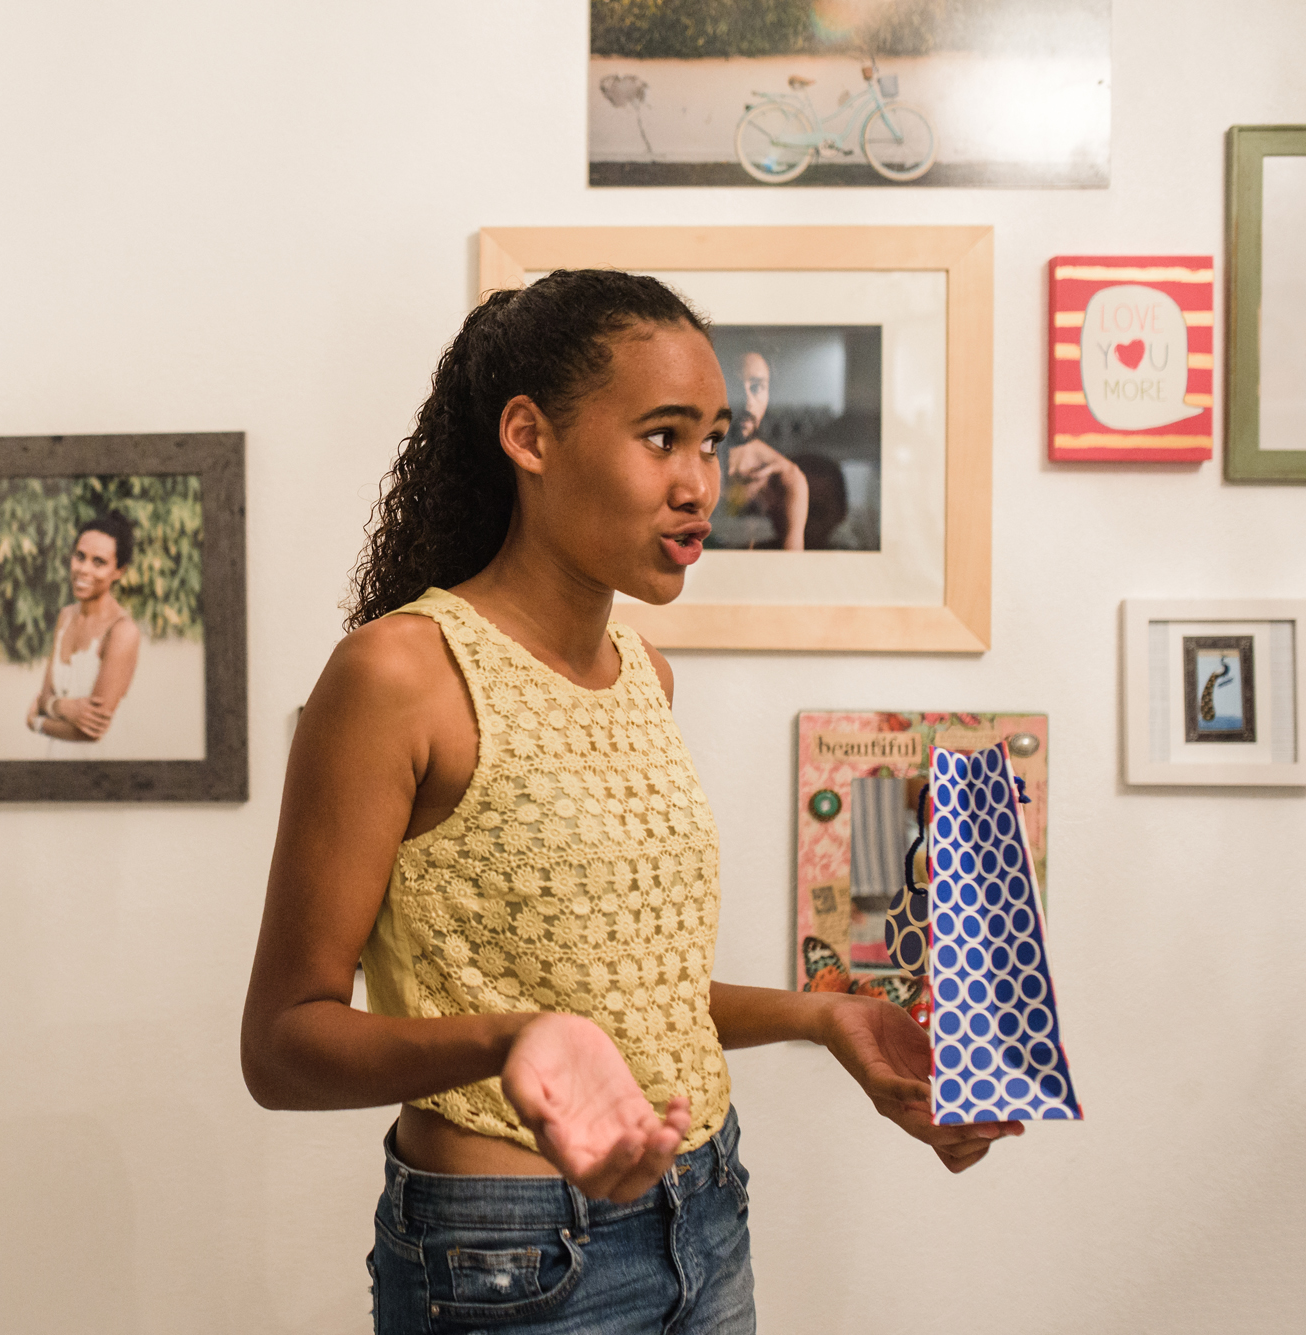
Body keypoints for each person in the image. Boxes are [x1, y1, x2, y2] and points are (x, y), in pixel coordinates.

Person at [239, 271, 1018, 1334]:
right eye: (661, 438)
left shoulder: (641, 674)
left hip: (702, 1212)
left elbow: (621, 1001)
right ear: (528, 436)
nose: (701, 482)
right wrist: (510, 1042)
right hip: (508, 1252)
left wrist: (824, 1015)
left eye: (710, 441)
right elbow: (283, 1045)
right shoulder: (400, 675)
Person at [25, 512, 140, 757]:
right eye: (80, 557)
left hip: (104, 764)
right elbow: (46, 694)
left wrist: (36, 722)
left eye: (99, 562)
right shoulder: (65, 617)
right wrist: (65, 706)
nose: (83, 569)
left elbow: (91, 732)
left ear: (118, 571)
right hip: (57, 759)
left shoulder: (122, 632)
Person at [717, 349, 809, 551]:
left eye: (757, 387)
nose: (746, 400)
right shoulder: (687, 465)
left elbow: (792, 574)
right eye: (732, 385)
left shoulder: (786, 480)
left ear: (769, 395)